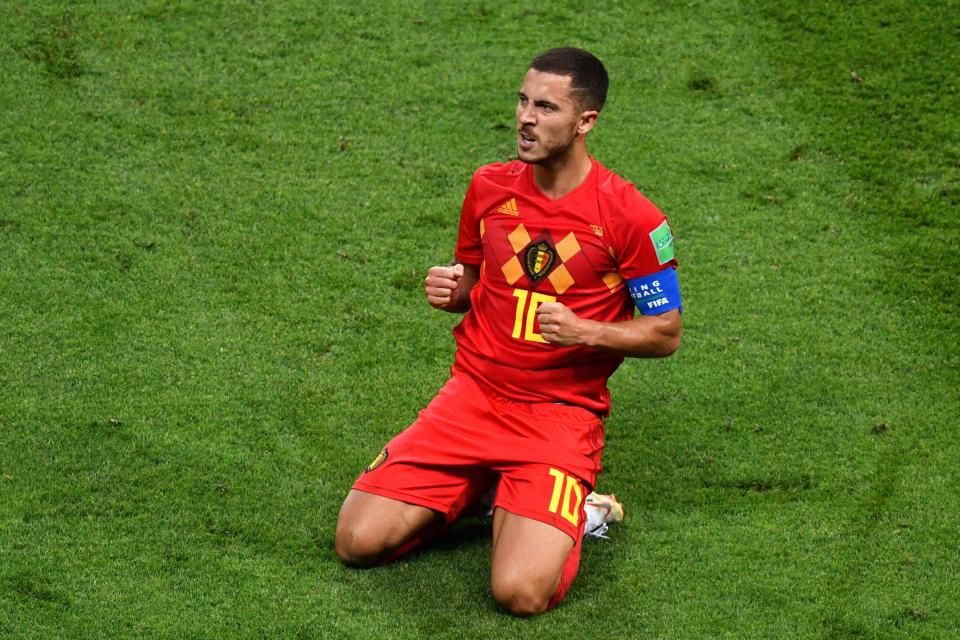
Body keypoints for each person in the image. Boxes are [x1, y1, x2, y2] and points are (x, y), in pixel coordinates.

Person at [334, 47, 682, 616]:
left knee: (520, 594)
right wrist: (456, 292)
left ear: (585, 121)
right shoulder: (489, 188)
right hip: (469, 400)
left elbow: (665, 332)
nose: (526, 117)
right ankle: (489, 490)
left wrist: (585, 331)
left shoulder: (632, 217)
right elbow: (476, 285)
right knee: (356, 544)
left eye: (546, 107)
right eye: (523, 101)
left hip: (558, 417)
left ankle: (583, 512)